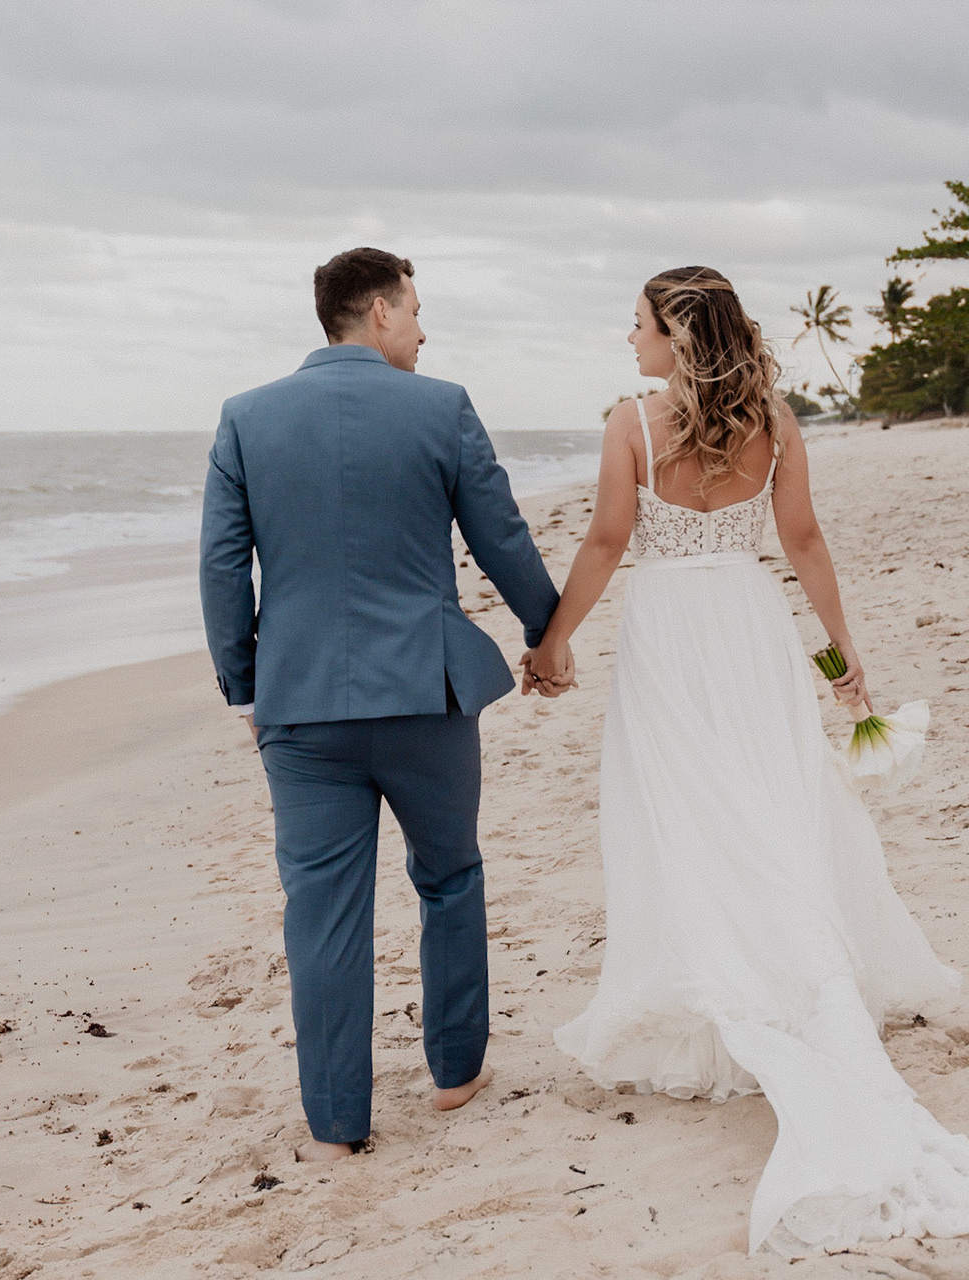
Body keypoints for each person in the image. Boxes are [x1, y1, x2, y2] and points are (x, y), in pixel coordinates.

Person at [523, 266, 969, 1255]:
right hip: (749, 627)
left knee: (690, 821)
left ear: (677, 335)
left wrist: (552, 643)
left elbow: (610, 538)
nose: (629, 339)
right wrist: (842, 657)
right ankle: (789, 980)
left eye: (640, 323)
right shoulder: (773, 416)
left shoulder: (630, 423)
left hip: (668, 636)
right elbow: (803, 541)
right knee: (771, 812)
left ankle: (731, 1000)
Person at [200, 247, 567, 1163]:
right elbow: (502, 536)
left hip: (302, 709)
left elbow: (219, 567)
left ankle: (336, 1124)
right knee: (449, 877)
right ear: (377, 313)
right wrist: (546, 634)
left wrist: (248, 685)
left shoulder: (245, 419)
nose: (423, 328)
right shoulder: (441, 406)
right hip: (427, 698)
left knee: (321, 910)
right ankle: (454, 1074)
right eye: (413, 309)